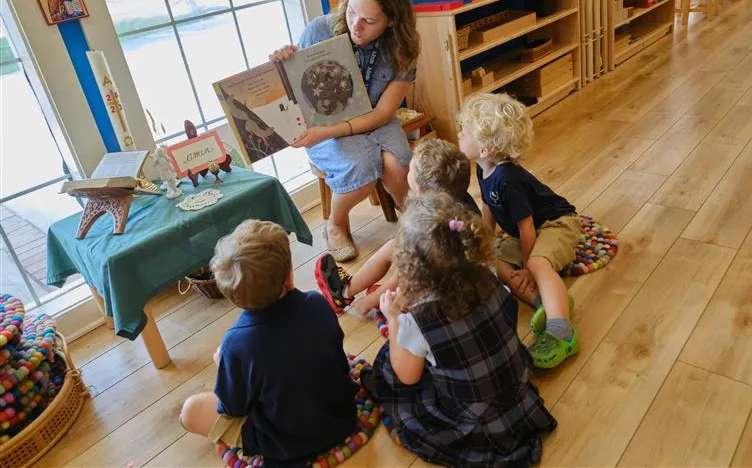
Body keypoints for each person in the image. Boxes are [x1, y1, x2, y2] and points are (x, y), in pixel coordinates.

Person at [361, 193, 557, 467]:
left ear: (409, 264)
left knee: (388, 362)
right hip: (516, 396)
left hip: (472, 421)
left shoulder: (419, 318)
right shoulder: (490, 280)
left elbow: (407, 375)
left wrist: (393, 318)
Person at [270, 0, 420, 262]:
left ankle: (415, 221)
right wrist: (280, 64)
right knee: (361, 169)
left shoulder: (403, 47)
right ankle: (335, 223)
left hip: (374, 119)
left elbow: (382, 114)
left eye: (368, 20)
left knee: (397, 165)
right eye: (352, 12)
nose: (355, 26)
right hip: (323, 124)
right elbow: (291, 94)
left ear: (392, 20)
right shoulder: (319, 30)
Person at [179, 220, 358, 465]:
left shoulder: (236, 344)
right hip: (341, 418)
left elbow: (232, 408)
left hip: (285, 443)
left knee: (191, 410)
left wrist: (223, 362)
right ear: (289, 277)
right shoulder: (317, 303)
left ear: (234, 298)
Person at [457, 92, 581, 369]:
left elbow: (527, 229)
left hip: (556, 223)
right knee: (492, 261)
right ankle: (545, 302)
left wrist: (527, 266)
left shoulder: (507, 179)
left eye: (464, 132)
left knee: (537, 263)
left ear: (486, 148)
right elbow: (488, 208)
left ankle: (563, 331)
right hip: (525, 232)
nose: (459, 135)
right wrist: (484, 244)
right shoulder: (481, 168)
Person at [315, 138, 480, 315]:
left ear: (420, 189)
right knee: (395, 245)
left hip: (441, 299)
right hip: (468, 284)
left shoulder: (428, 227)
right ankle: (349, 290)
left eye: (411, 168)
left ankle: (347, 294)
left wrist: (372, 299)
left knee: (402, 255)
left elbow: (410, 274)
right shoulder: (463, 205)